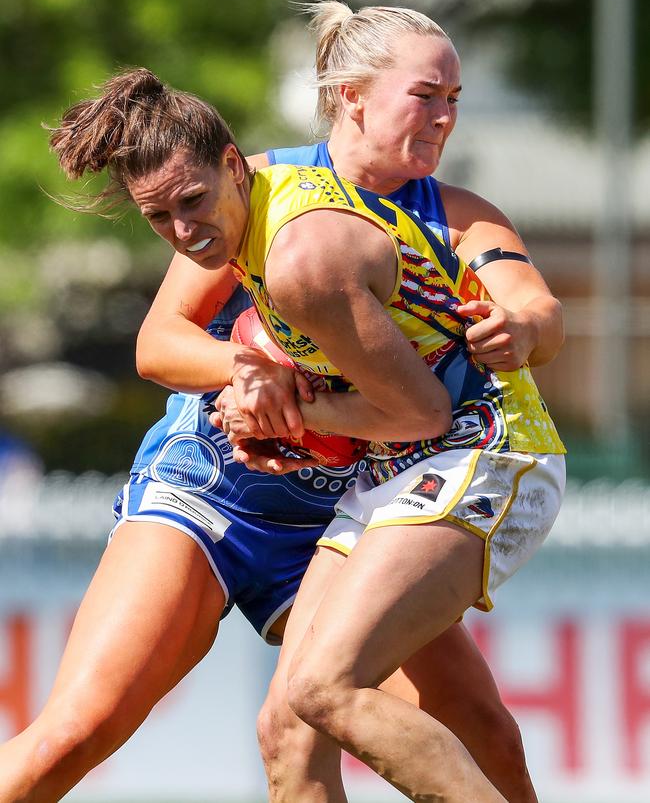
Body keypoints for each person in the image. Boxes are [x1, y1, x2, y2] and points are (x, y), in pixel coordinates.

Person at [33, 59, 564, 801]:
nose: (444, 116)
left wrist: (520, 326)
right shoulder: (257, 190)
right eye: (422, 96)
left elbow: (535, 313)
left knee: (476, 731)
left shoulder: (456, 213)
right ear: (351, 99)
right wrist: (252, 369)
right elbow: (157, 346)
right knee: (76, 731)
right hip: (219, 491)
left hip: (360, 492)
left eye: (454, 98)